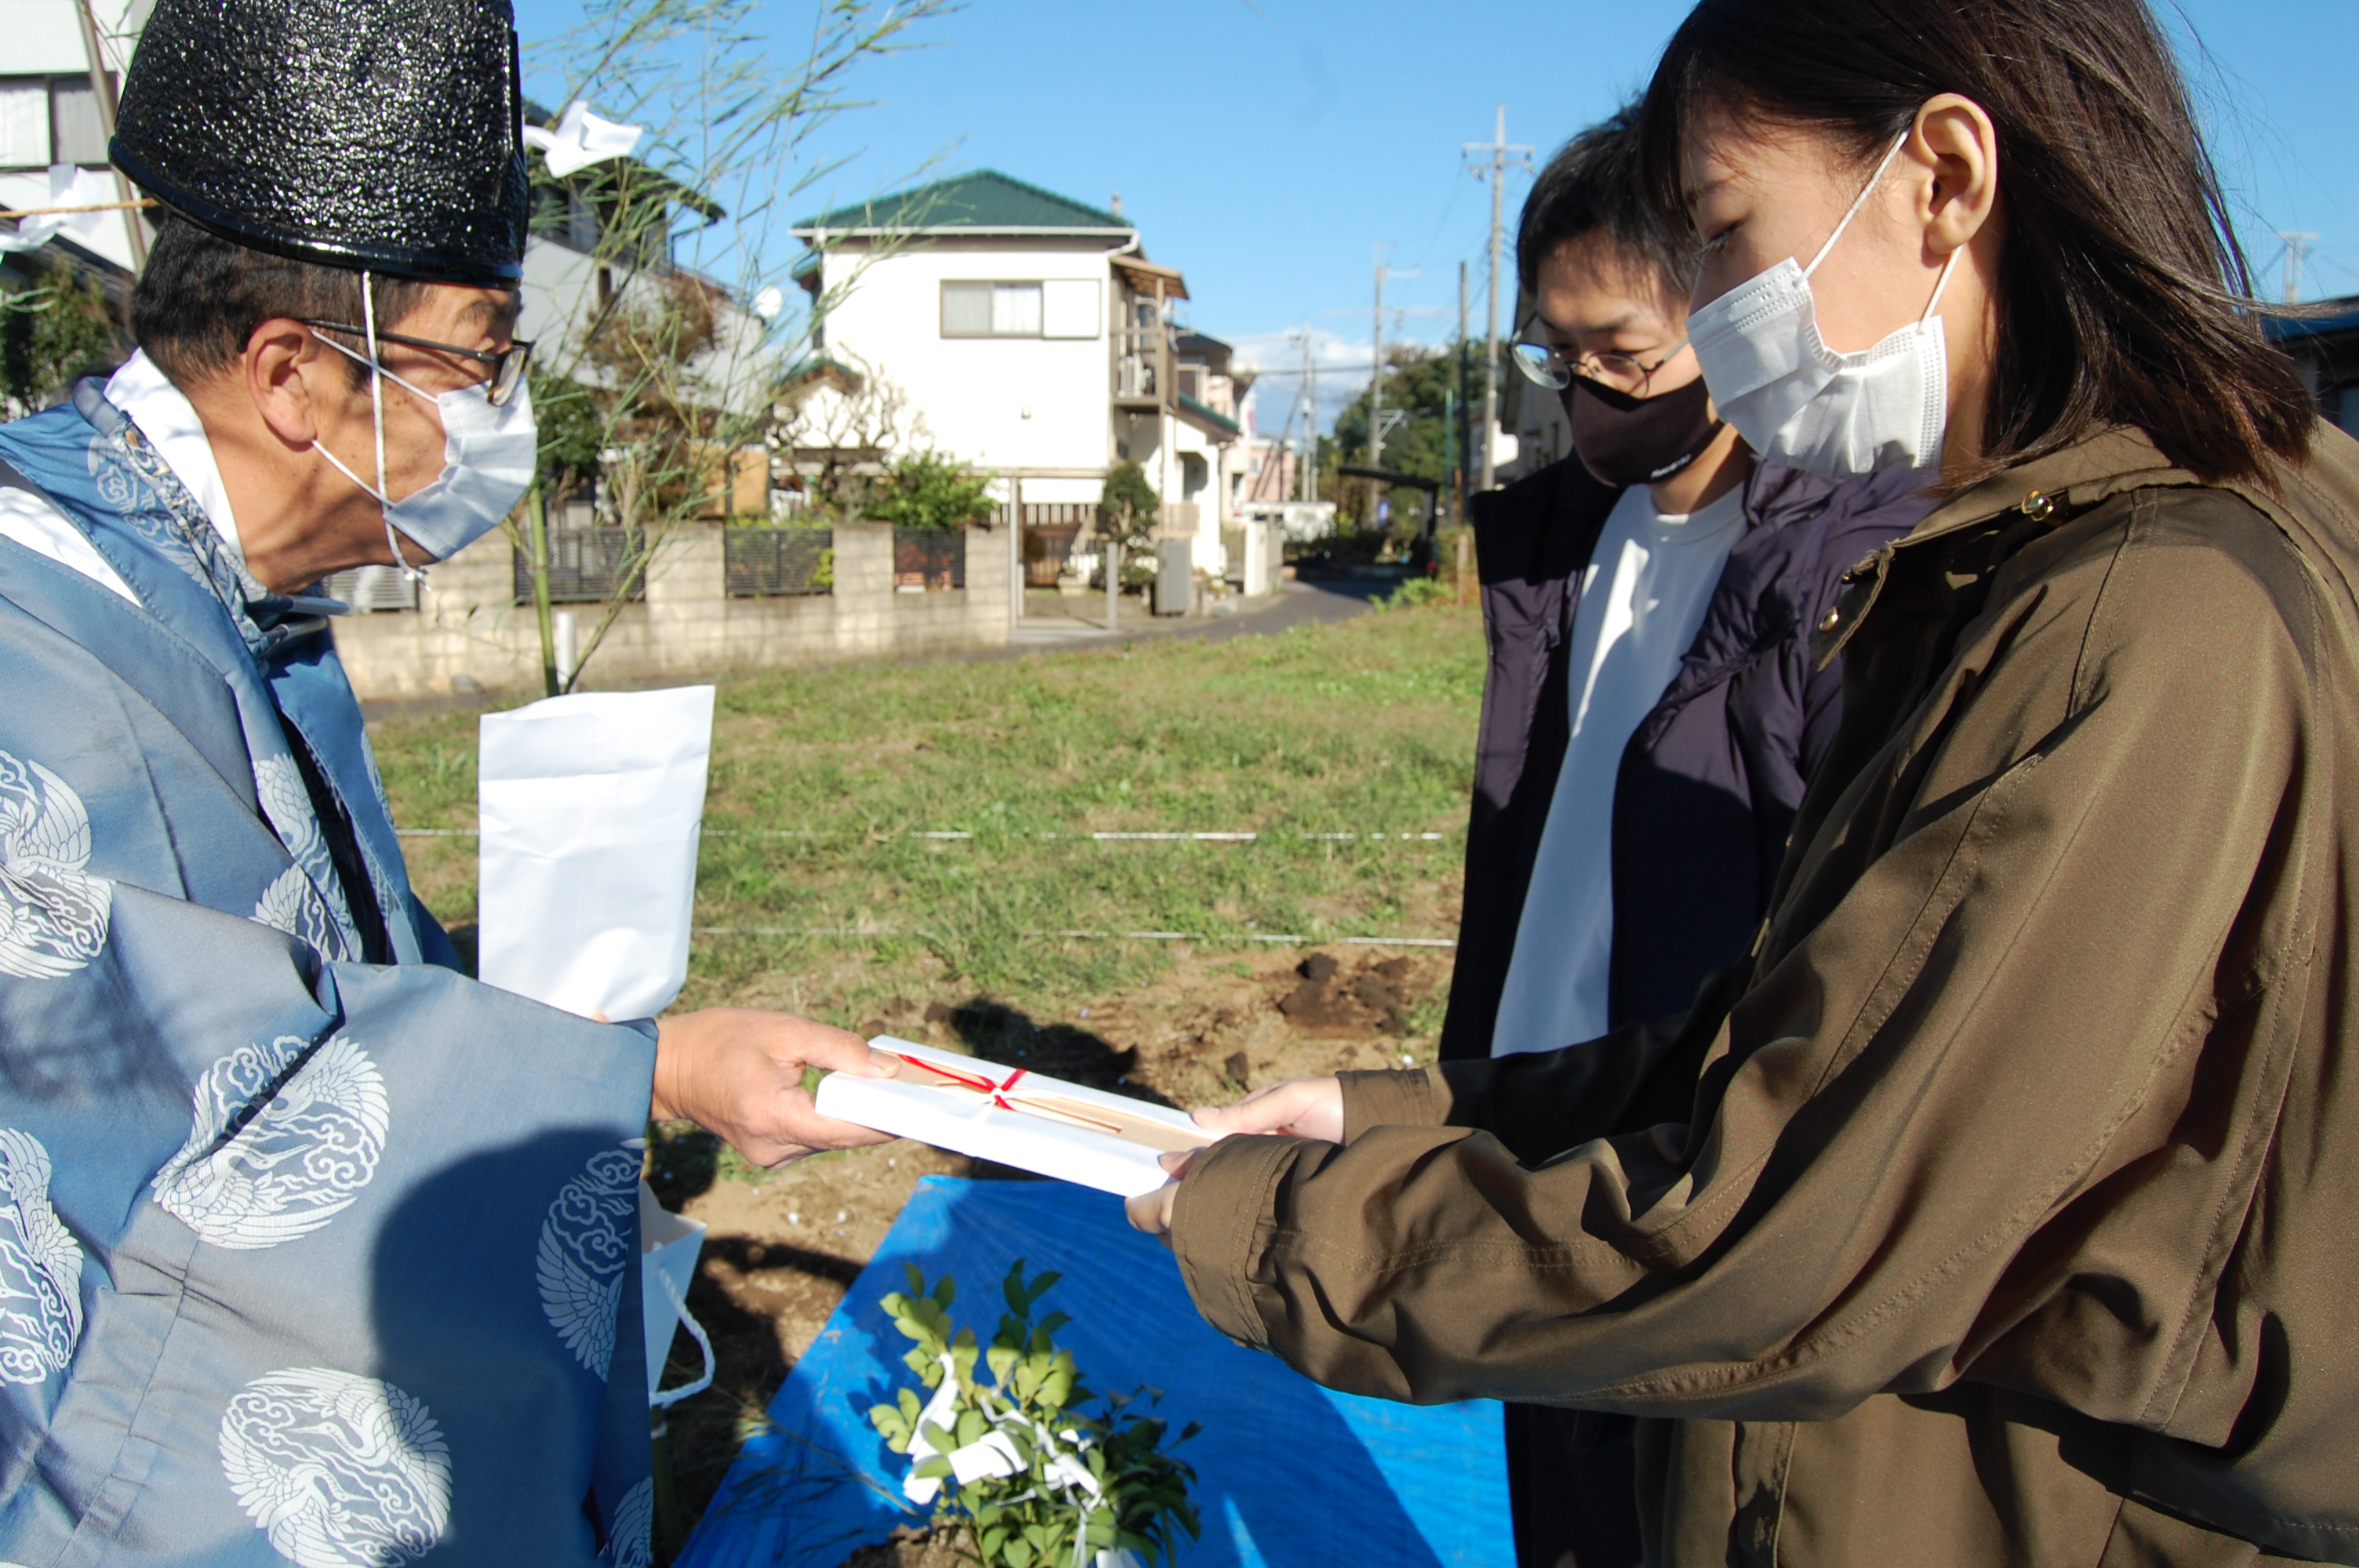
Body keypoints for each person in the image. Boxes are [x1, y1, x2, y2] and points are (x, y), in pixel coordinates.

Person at [1133, 0, 2359, 1561]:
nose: (1712, 313)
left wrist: (1285, 1229)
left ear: (1941, 176)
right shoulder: (2102, 545)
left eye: (1722, 233)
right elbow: (1820, 1027)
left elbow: (1790, 1222)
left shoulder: (2135, 618)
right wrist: (1418, 1105)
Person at [0, 2, 888, 1561]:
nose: (504, 424)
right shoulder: (37, 642)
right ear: (294, 376)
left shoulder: (223, 591)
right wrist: (649, 1076)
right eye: (477, 370)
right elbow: (195, 1134)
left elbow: (317, 978)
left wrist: (608, 1046)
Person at [1444, 107, 1926, 1568]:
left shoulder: (1841, 566)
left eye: (1625, 357)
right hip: (1528, 1118)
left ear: (1734, 310)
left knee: (1678, 1510)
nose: (1585, 396)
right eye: (1556, 355)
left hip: (1684, 1157)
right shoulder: (1562, 539)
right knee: (1560, 1507)